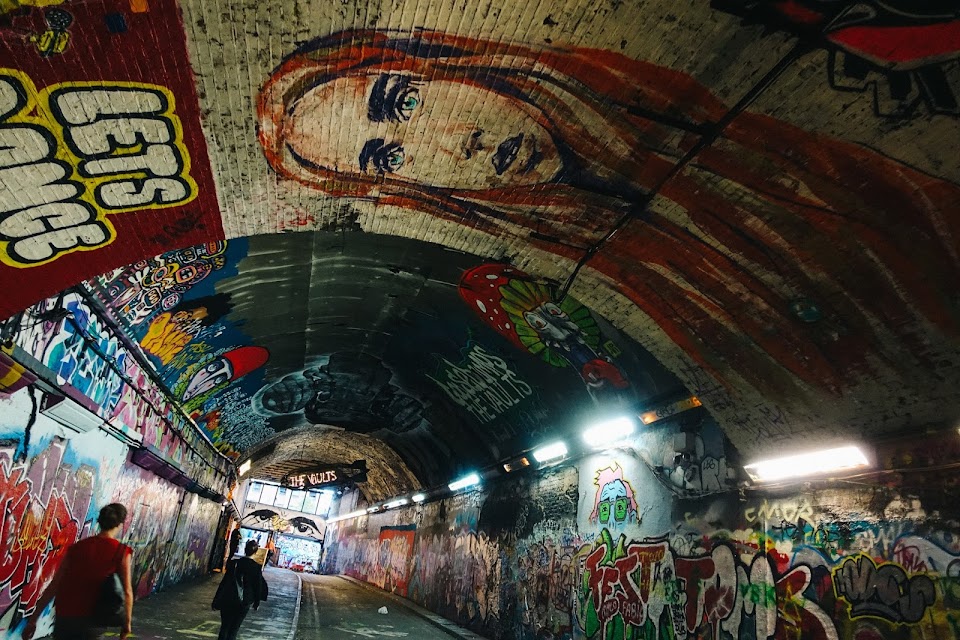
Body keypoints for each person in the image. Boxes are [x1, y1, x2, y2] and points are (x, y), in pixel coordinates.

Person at [257, 29, 960, 405]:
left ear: (450, 66)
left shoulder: (703, 122)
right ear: (416, 194)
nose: (451, 141)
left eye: (401, 101)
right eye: (389, 158)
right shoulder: (624, 273)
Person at [22, 503, 134, 640]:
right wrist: (126, 624)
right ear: (120, 524)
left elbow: (55, 584)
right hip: (94, 621)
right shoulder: (121, 552)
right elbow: (127, 591)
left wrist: (33, 619)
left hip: (65, 617)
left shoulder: (76, 548)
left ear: (100, 521)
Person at [214, 539, 267, 640]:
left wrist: (216, 599)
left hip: (228, 598)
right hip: (244, 601)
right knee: (234, 629)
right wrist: (256, 603)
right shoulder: (256, 567)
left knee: (224, 627)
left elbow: (224, 582)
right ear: (255, 552)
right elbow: (258, 586)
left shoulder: (234, 563)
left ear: (244, 550)